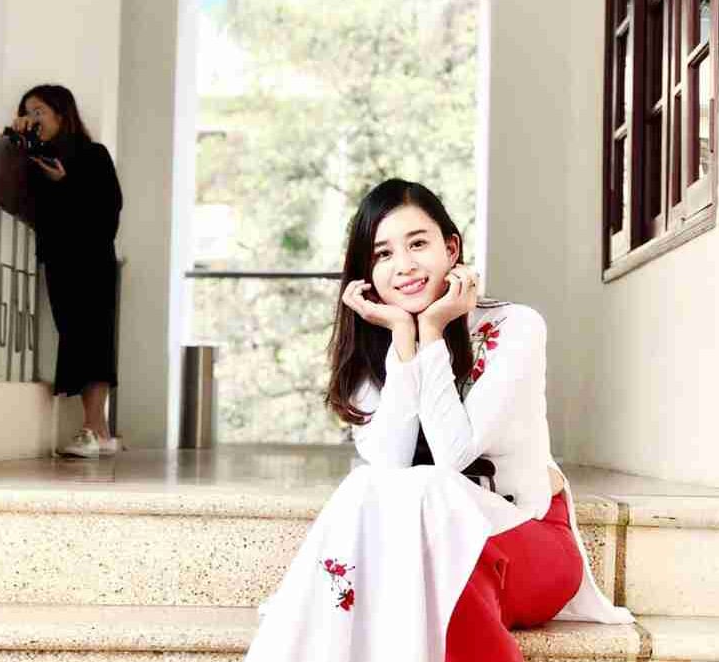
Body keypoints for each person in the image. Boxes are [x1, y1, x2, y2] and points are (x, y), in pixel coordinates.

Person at [245, 179, 632, 662]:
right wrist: (403, 338)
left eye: (418, 244)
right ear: (367, 273)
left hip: (526, 543)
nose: (403, 265)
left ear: (451, 249)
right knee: (370, 493)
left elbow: (453, 455)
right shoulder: (376, 346)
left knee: (429, 500)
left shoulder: (516, 327)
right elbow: (388, 462)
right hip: (431, 555)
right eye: (383, 254)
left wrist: (432, 329)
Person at [11, 85, 123, 458]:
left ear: (62, 114)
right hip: (60, 261)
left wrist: (66, 183)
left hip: (92, 260)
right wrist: (21, 146)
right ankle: (101, 432)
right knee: (76, 338)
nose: (33, 119)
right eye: (28, 112)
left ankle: (91, 429)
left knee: (93, 339)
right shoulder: (35, 159)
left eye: (39, 111)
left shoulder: (93, 154)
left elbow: (108, 210)